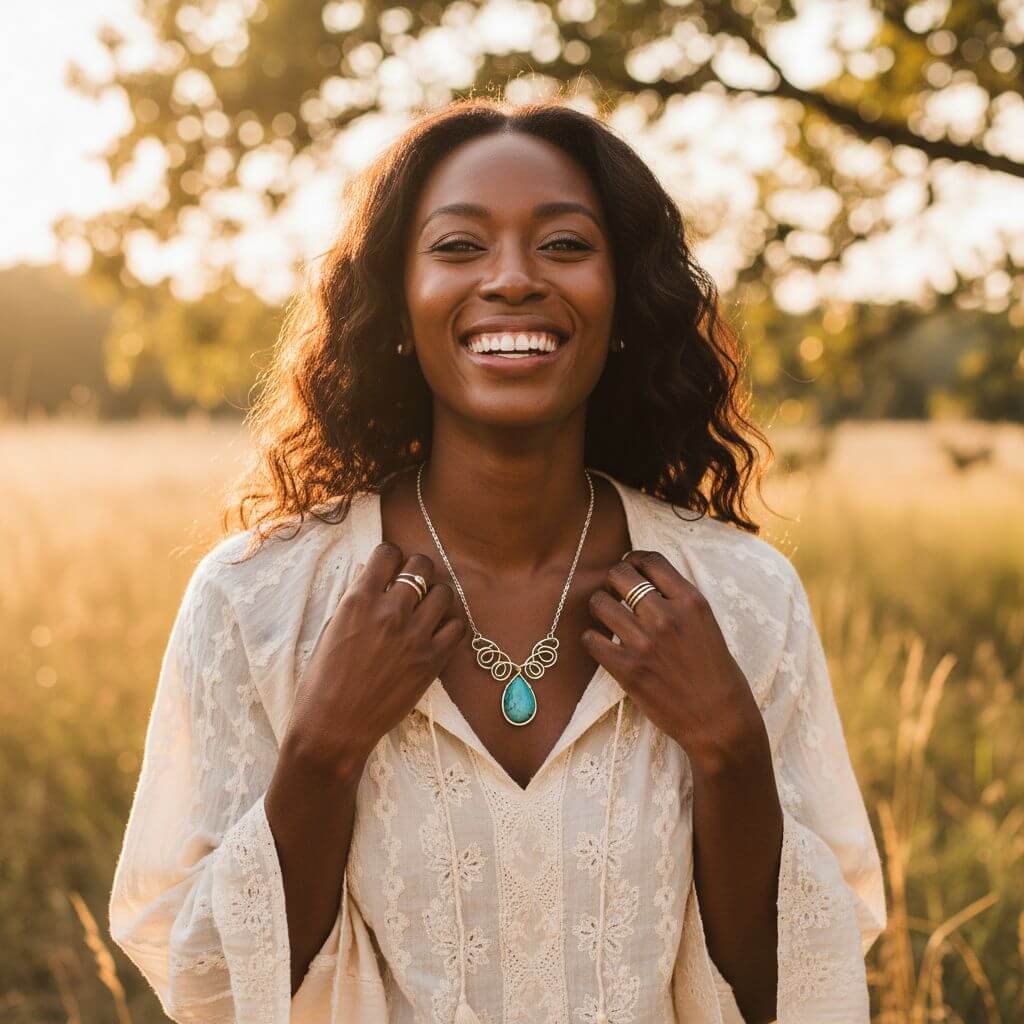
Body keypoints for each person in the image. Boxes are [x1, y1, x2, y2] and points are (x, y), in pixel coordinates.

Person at [108, 97, 885, 1024]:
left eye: (563, 245)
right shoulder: (258, 598)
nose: (513, 279)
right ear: (398, 306)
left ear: (624, 303)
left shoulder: (745, 597)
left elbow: (801, 995)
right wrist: (322, 750)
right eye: (459, 247)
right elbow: (210, 990)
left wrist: (731, 753)